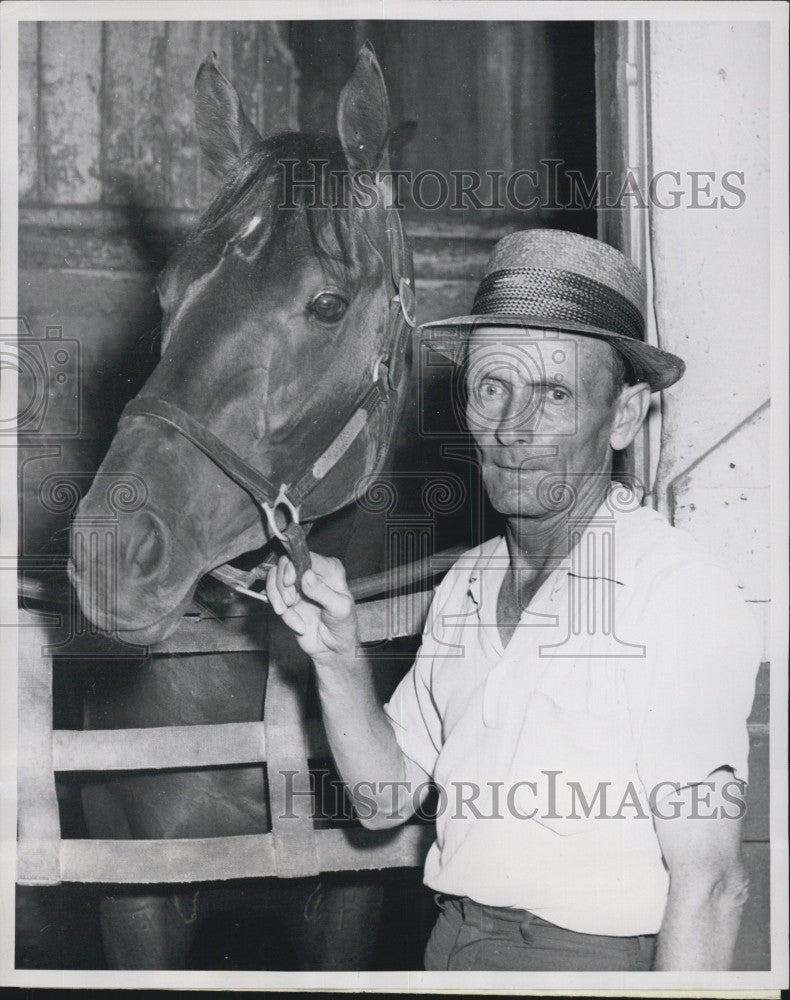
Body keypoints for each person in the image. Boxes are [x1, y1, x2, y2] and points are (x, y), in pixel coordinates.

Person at [266, 229, 761, 972]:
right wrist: (337, 657)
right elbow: (384, 800)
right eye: (492, 386)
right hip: (451, 946)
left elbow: (714, 886)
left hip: (588, 966)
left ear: (622, 417)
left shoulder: (674, 591)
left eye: (554, 393)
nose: (509, 428)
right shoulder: (467, 583)